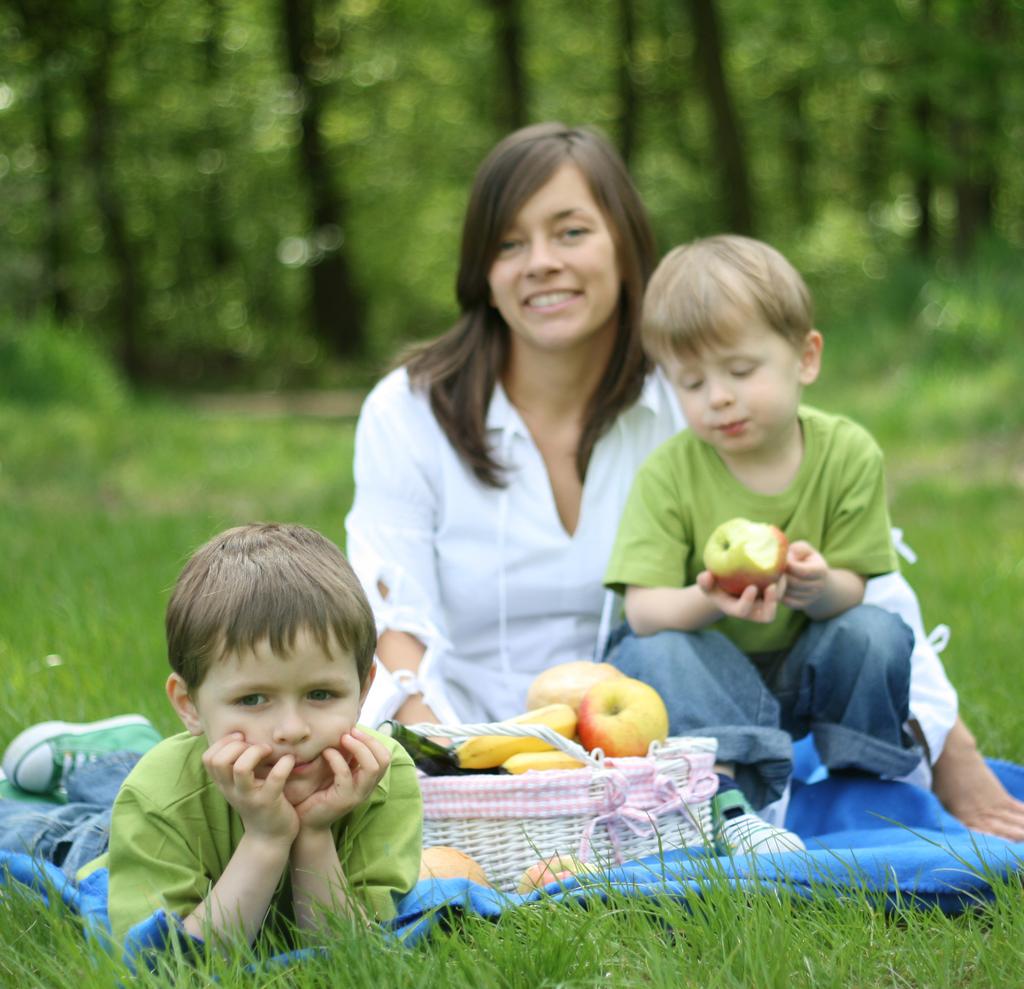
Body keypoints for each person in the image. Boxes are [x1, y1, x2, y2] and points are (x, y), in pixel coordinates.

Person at [344, 121, 1024, 841]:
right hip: (480, 743)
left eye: (570, 231)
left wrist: (959, 764)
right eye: (509, 243)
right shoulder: (410, 411)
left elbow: (860, 574)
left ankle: (783, 804)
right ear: (483, 267)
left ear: (626, 243)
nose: (539, 262)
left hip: (671, 747)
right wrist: (453, 777)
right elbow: (392, 618)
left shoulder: (696, 394)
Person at [603, 234, 921, 829]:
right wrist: (707, 598)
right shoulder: (670, 471)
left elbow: (853, 590)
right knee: (653, 651)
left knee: (875, 632)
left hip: (803, 667)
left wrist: (816, 585)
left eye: (741, 371)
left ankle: (862, 783)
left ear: (806, 357)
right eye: (691, 384)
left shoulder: (848, 453)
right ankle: (723, 795)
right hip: (704, 678)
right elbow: (644, 612)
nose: (718, 398)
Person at [0, 523, 422, 950]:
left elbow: (350, 957)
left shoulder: (382, 779)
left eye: (321, 694)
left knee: (141, 778)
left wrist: (313, 835)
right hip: (110, 841)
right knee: (43, 832)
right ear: (188, 705)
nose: (292, 730)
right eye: (254, 699)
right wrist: (266, 838)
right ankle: (98, 766)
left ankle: (110, 759)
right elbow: (172, 966)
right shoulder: (156, 797)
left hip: (192, 779)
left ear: (364, 689)